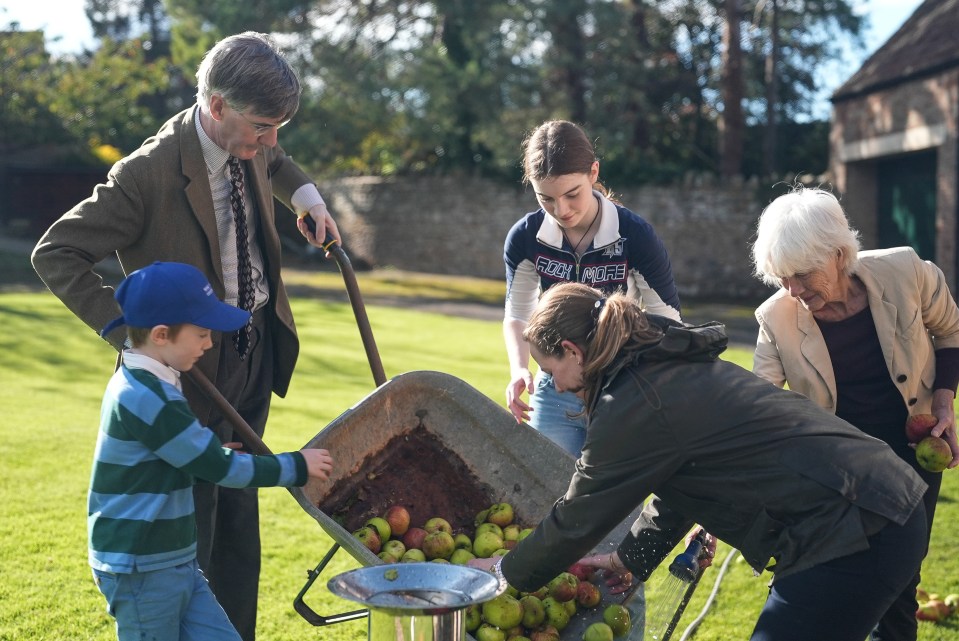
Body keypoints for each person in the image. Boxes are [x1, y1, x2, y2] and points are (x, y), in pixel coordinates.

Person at [31, 32, 339, 641]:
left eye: (279, 126)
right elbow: (55, 252)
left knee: (237, 520)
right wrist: (131, 334)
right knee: (195, 510)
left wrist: (306, 196)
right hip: (188, 365)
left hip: (251, 349)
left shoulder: (249, 142)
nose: (271, 141)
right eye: (262, 125)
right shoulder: (144, 175)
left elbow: (275, 160)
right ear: (217, 107)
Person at [471, 281, 929, 641]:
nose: (560, 386)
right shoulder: (657, 364)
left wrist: (501, 573)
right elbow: (681, 485)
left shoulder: (635, 400)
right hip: (874, 505)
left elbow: (576, 518)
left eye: (551, 373)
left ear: (572, 351)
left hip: (857, 525)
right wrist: (630, 557)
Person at [749, 186, 959, 641]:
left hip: (912, 452)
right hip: (838, 467)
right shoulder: (775, 318)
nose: (794, 290)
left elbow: (949, 329)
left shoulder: (906, 271)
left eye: (802, 275)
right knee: (850, 575)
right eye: (782, 278)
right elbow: (757, 404)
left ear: (840, 255)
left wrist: (944, 400)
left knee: (904, 578)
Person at [88, 261, 334, 641]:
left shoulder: (152, 383)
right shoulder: (146, 396)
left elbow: (173, 455)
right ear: (161, 334)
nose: (209, 344)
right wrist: (294, 467)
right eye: (202, 334)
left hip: (175, 560)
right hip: (141, 567)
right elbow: (223, 470)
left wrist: (205, 451)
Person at [503, 120, 681, 456]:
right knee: (546, 490)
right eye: (546, 199)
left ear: (593, 173)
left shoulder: (635, 235)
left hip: (622, 390)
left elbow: (667, 320)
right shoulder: (525, 237)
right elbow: (517, 312)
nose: (561, 210)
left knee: (619, 505)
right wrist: (519, 369)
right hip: (554, 388)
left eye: (572, 194)